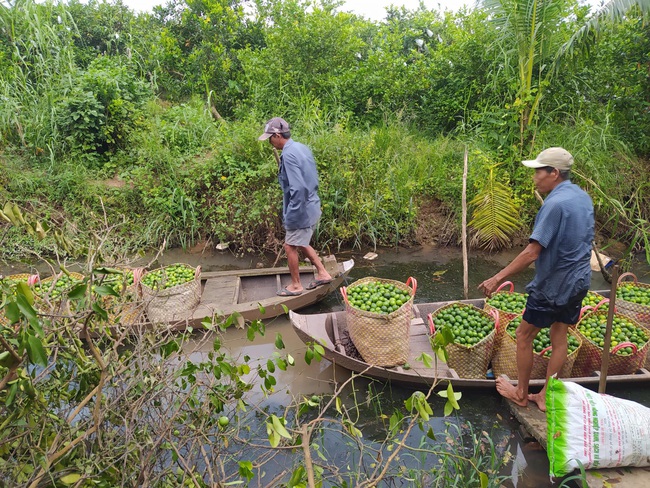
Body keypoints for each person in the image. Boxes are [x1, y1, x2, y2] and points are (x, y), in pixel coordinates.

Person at [478, 147, 594, 411]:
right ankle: (545, 395)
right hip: (579, 281)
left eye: (538, 172)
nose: (535, 177)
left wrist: (497, 277)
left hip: (554, 285)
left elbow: (531, 252)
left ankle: (520, 393)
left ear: (554, 173)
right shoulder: (582, 197)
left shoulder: (554, 204)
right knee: (560, 336)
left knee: (523, 335)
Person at [258, 117, 332, 296]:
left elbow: (298, 188)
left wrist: (292, 214)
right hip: (312, 204)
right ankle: (322, 273)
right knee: (301, 240)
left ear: (277, 135)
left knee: (290, 246)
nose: (269, 141)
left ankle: (296, 286)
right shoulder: (300, 147)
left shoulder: (289, 154)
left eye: (270, 137)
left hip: (302, 209)